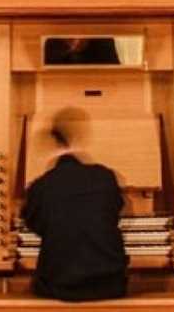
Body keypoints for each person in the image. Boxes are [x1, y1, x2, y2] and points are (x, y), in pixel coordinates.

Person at [21, 109, 128, 301]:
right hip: (110, 285)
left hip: (58, 286)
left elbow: (35, 225)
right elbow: (113, 213)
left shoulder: (41, 186)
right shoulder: (106, 178)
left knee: (31, 286)